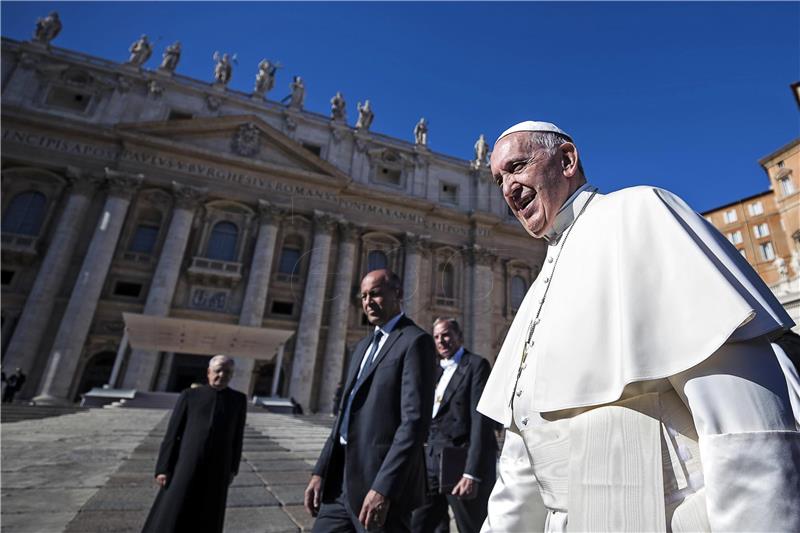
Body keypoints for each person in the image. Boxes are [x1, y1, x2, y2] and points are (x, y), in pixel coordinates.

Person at [479, 120, 800, 532]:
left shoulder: (641, 213)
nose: (507, 188)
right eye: (498, 179)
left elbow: (747, 431)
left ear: (566, 159)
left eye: (518, 166)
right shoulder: (539, 287)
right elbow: (524, 466)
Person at [305, 269, 436, 532]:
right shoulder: (362, 347)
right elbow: (345, 414)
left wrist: (383, 488)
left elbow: (414, 423)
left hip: (378, 481)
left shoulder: (415, 341)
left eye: (375, 294)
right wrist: (320, 470)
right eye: (364, 296)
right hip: (339, 479)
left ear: (397, 294)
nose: (367, 302)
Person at [142, 355, 246, 533]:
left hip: (219, 465)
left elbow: (238, 436)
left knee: (209, 511)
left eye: (227, 371)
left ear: (232, 375)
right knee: (174, 507)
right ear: (208, 372)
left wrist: (233, 469)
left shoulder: (238, 399)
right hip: (185, 462)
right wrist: (163, 467)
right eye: (218, 370)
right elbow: (173, 434)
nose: (221, 375)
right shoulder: (190, 395)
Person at [411, 318, 497, 533]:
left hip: (459, 463)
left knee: (470, 526)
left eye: (447, 335)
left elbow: (480, 423)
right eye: (437, 337)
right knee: (420, 525)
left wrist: (471, 473)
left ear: (460, 336)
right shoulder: (435, 371)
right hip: (432, 465)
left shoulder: (476, 365)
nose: (442, 341)